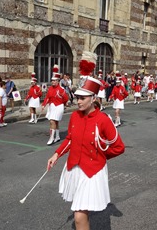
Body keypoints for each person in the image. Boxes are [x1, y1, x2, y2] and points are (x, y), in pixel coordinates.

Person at [47, 51, 125, 230]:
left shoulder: (103, 120)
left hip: (92, 171)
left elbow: (119, 147)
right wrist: (56, 154)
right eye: (77, 97)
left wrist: (101, 155)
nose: (78, 101)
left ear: (93, 99)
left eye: (82, 98)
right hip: (75, 167)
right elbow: (70, 139)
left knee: (79, 215)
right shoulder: (74, 116)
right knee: (81, 212)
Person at [41, 65, 68, 145]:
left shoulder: (61, 90)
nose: (53, 82)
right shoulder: (50, 89)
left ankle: (51, 138)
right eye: (52, 81)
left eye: (54, 81)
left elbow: (66, 98)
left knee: (52, 121)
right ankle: (57, 136)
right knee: (55, 122)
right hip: (52, 106)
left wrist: (63, 104)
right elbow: (47, 97)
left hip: (59, 106)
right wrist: (43, 105)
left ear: (58, 81)